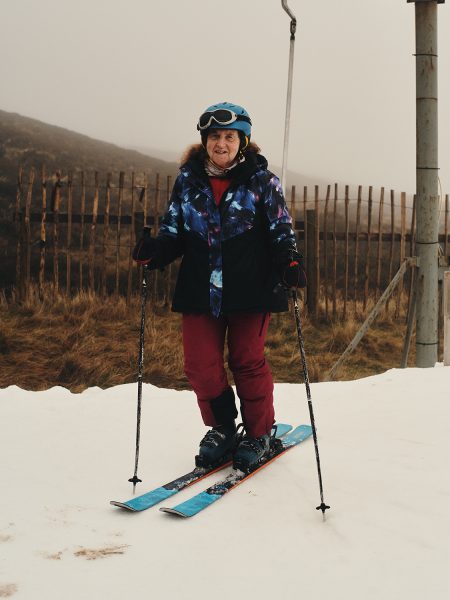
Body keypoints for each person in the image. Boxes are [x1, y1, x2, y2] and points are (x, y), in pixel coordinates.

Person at [132, 101, 306, 472]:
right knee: (200, 365)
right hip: (200, 288)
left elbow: (280, 229)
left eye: (229, 136)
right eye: (214, 136)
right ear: (204, 140)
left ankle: (259, 433)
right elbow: (174, 231)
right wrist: (156, 251)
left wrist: (289, 261)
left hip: (251, 287)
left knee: (247, 361)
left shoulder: (262, 181)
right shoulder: (188, 181)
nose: (221, 143)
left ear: (242, 141)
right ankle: (223, 428)